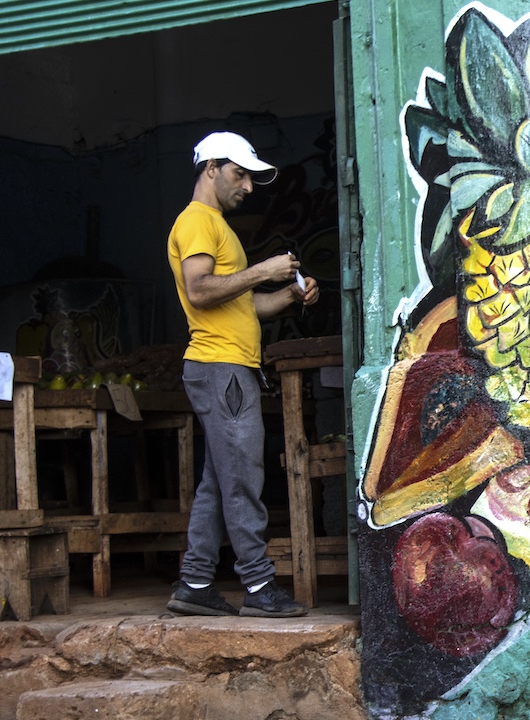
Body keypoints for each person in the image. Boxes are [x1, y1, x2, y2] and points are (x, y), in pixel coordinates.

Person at [165, 131, 319, 617]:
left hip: (226, 366)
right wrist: (264, 269)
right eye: (240, 174)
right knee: (243, 478)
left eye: (251, 177)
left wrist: (289, 294)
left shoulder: (215, 226)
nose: (248, 186)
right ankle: (257, 586)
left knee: (219, 480)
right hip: (220, 367)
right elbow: (200, 291)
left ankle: (193, 583)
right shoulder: (196, 222)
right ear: (211, 167)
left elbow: (243, 304)